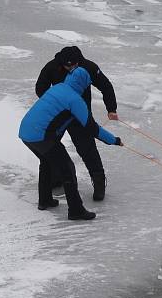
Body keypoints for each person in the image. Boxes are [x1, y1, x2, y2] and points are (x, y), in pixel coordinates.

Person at [19, 67, 123, 220]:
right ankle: (76, 210)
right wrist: (114, 140)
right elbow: (92, 129)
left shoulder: (59, 87)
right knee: (67, 168)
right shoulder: (75, 100)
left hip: (25, 132)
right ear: (83, 85)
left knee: (46, 162)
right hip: (42, 136)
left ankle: (45, 200)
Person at [36, 46, 119, 201]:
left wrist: (111, 108)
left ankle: (99, 181)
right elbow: (40, 88)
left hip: (80, 115)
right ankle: (55, 179)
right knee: (50, 149)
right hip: (59, 116)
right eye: (68, 66)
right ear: (61, 63)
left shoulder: (88, 67)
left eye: (75, 65)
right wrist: (52, 104)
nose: (72, 68)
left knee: (87, 149)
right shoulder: (51, 67)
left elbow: (106, 86)